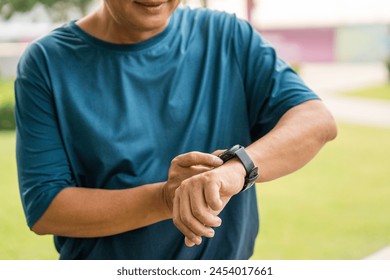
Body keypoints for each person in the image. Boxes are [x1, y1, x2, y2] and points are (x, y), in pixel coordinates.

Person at [15, 0, 337, 260]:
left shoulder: (228, 36)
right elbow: (46, 208)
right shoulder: (47, 62)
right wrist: (168, 198)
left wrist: (237, 168)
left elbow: (316, 120)